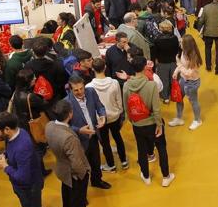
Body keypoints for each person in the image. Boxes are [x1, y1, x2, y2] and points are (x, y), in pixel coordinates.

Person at [0, 112, 48, 207]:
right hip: (26, 183)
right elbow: (12, 149)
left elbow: (23, 178)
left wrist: (4, 166)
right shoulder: (17, 132)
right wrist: (5, 155)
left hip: (29, 187)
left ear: (7, 129)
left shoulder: (22, 147)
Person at [123, 56, 175, 186]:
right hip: (152, 122)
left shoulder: (126, 85)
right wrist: (159, 124)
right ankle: (165, 177)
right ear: (145, 66)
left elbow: (126, 106)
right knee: (161, 148)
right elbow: (156, 108)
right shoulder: (151, 85)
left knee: (142, 150)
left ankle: (146, 176)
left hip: (137, 123)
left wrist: (132, 120)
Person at [45, 100, 90, 207]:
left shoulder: (49, 126)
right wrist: (84, 174)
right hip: (75, 175)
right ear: (70, 114)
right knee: (78, 204)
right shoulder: (69, 138)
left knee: (67, 201)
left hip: (62, 169)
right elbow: (76, 163)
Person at [65, 75, 111, 190]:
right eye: (76, 90)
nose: (80, 92)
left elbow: (100, 106)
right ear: (70, 89)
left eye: (81, 88)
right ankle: (81, 194)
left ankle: (97, 181)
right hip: (79, 141)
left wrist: (102, 116)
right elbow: (65, 126)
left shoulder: (91, 92)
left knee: (96, 162)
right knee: (81, 169)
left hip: (93, 136)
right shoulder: (66, 103)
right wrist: (79, 130)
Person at [87, 58, 128, 173]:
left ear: (92, 69)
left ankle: (111, 165)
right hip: (114, 115)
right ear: (105, 67)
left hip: (100, 119)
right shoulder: (114, 83)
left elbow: (90, 105)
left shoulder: (89, 87)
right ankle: (124, 161)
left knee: (105, 142)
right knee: (118, 138)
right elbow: (119, 100)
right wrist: (119, 112)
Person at [169, 34, 203, 130]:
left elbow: (189, 73)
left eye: (181, 42)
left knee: (193, 102)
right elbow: (182, 66)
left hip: (192, 83)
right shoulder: (183, 52)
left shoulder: (194, 58)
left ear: (187, 44)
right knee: (179, 99)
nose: (180, 44)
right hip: (183, 80)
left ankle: (198, 120)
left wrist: (178, 65)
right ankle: (179, 118)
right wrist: (176, 72)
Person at [198, 0, 218, 74]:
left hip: (208, 32)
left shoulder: (206, 7)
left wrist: (199, 30)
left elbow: (201, 21)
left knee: (207, 49)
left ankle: (208, 66)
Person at [152, 20, 180, 103]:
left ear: (161, 29)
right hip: (173, 61)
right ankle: (174, 94)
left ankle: (165, 97)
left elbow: (155, 53)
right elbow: (177, 50)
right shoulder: (174, 38)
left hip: (162, 63)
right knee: (174, 79)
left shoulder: (157, 40)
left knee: (164, 80)